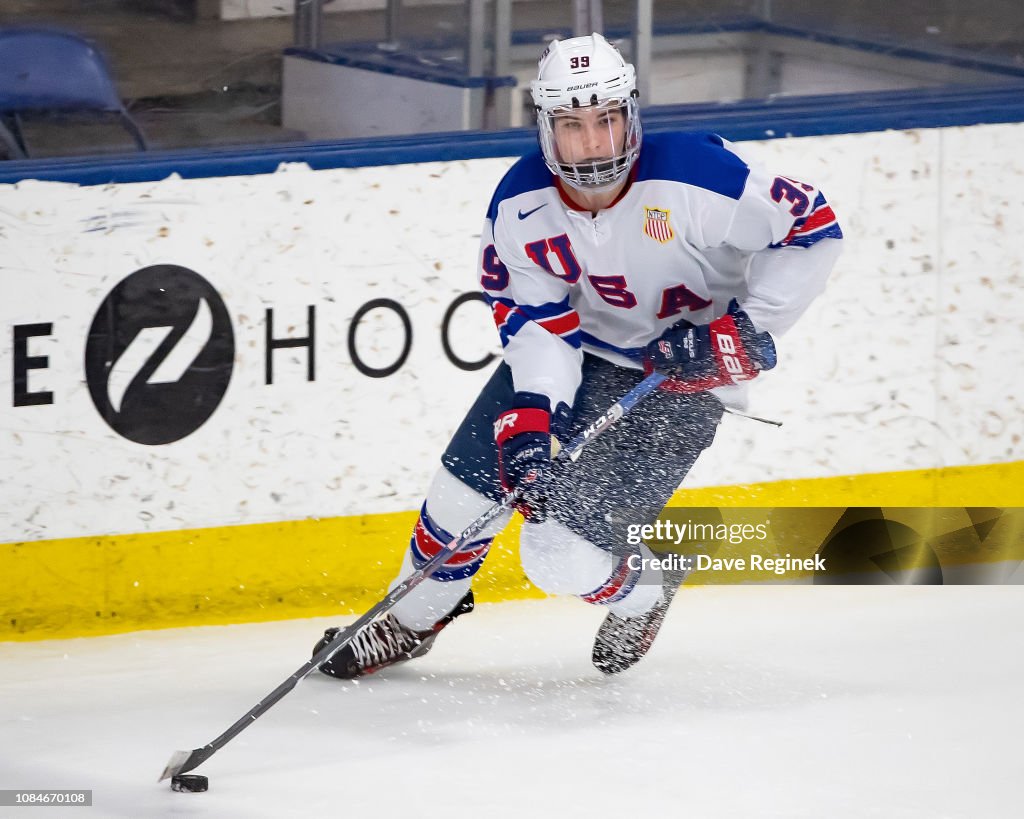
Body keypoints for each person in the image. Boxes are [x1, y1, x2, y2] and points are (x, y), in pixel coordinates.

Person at [314, 33, 843, 677]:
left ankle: (648, 587)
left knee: (556, 555)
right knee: (461, 497)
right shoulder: (520, 205)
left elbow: (812, 230)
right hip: (581, 353)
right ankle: (410, 620)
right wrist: (536, 415)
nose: (593, 142)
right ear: (545, 128)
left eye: (607, 120)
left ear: (632, 116)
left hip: (677, 384)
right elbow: (538, 322)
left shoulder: (697, 176)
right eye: (571, 125)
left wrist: (743, 331)